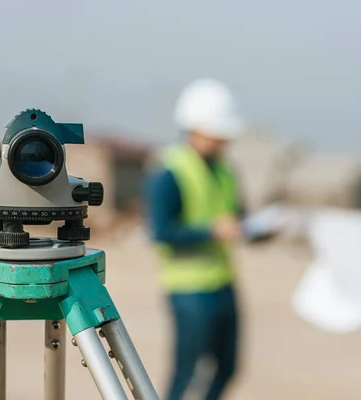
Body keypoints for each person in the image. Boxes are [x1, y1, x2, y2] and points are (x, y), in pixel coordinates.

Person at [144, 79, 245, 400]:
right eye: (217, 133)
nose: (223, 141)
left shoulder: (226, 170)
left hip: (223, 283)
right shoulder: (169, 172)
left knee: (228, 367)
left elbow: (237, 217)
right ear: (195, 128)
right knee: (186, 373)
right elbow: (161, 232)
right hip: (188, 290)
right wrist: (211, 231)